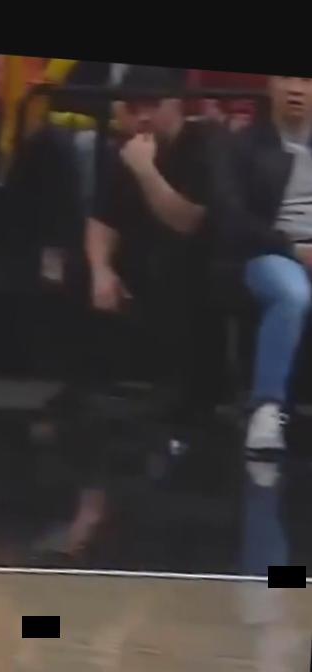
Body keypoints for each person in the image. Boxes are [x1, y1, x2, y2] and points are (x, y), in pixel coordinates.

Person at [84, 66, 223, 449]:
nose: (142, 116)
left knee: (179, 266)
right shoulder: (125, 149)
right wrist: (101, 270)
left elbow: (188, 221)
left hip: (203, 254)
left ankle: (190, 395)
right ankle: (88, 384)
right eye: (133, 107)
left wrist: (145, 171)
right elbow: (101, 220)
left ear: (176, 104)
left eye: (151, 105)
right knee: (83, 265)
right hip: (144, 251)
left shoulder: (204, 143)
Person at [212, 74, 312, 454]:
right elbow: (232, 218)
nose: (296, 89)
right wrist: (292, 248)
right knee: (292, 292)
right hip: (264, 253)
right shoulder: (242, 146)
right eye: (287, 79)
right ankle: (266, 410)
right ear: (270, 86)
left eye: (307, 81)